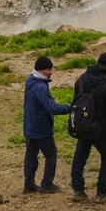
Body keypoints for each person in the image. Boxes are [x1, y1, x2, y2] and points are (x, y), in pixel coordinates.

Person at [70, 53, 106, 202]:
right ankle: (101, 193)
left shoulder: (82, 79)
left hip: (83, 124)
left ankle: (77, 191)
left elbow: (76, 101)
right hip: (102, 128)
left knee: (80, 156)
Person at [23, 57, 72, 194]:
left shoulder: (30, 82)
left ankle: (29, 184)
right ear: (40, 70)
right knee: (51, 154)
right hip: (41, 127)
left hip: (29, 126)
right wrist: (70, 108)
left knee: (31, 155)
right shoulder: (40, 86)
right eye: (48, 70)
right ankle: (47, 183)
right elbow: (52, 108)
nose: (51, 72)